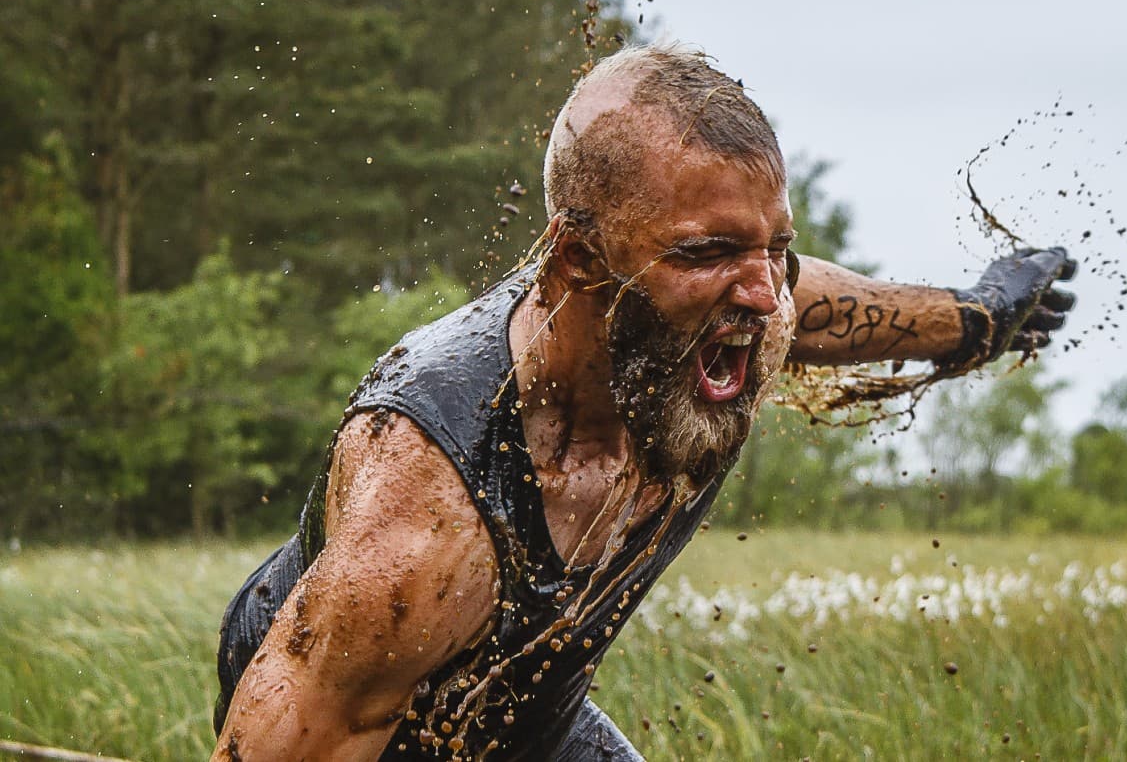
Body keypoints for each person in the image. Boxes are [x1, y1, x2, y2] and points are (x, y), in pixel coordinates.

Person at [211, 43, 1075, 761]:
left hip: (529, 721)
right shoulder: (428, 513)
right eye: (707, 252)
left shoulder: (738, 315)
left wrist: (973, 320)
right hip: (368, 723)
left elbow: (802, 297)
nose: (761, 294)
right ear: (578, 262)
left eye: (773, 248)